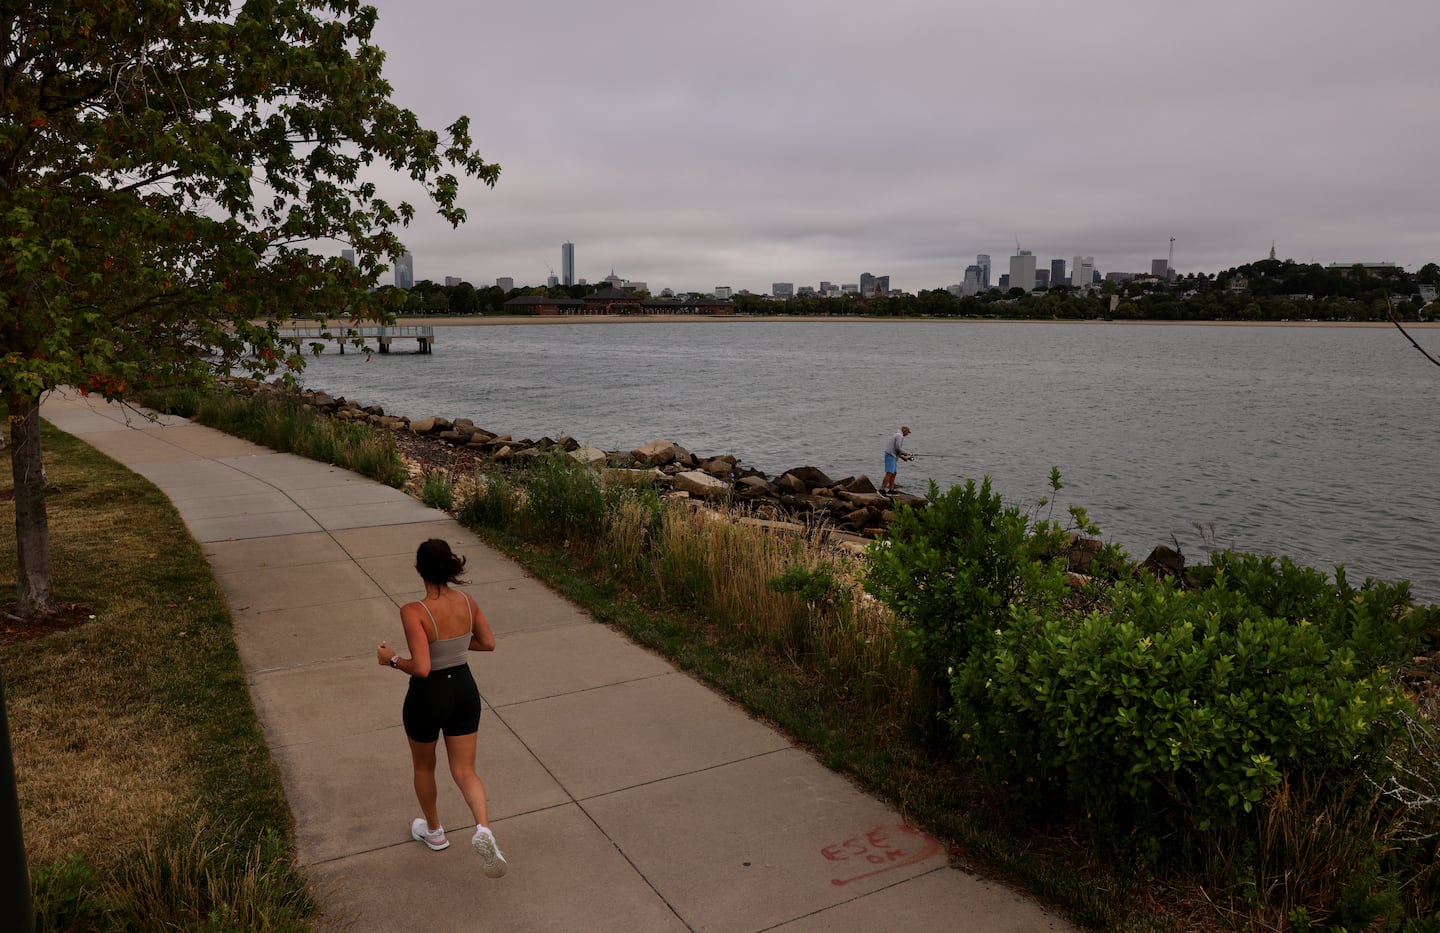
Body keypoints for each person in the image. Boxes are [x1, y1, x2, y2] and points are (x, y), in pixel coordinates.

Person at [377, 538, 506, 877]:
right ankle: (484, 829)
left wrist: (390, 660)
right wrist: (457, 647)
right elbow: (488, 643)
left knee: (424, 767)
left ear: (419, 569)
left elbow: (421, 667)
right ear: (450, 566)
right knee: (466, 771)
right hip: (464, 689)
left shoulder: (414, 612)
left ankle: (434, 831)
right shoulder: (467, 602)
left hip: (428, 695)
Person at [880, 425, 912, 494]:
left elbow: (896, 450)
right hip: (890, 455)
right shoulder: (899, 436)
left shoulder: (897, 435)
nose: (907, 434)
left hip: (893, 456)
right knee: (889, 473)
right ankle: (882, 490)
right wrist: (905, 453)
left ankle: (891, 490)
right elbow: (898, 448)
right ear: (904, 430)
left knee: (894, 473)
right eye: (907, 432)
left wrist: (903, 457)